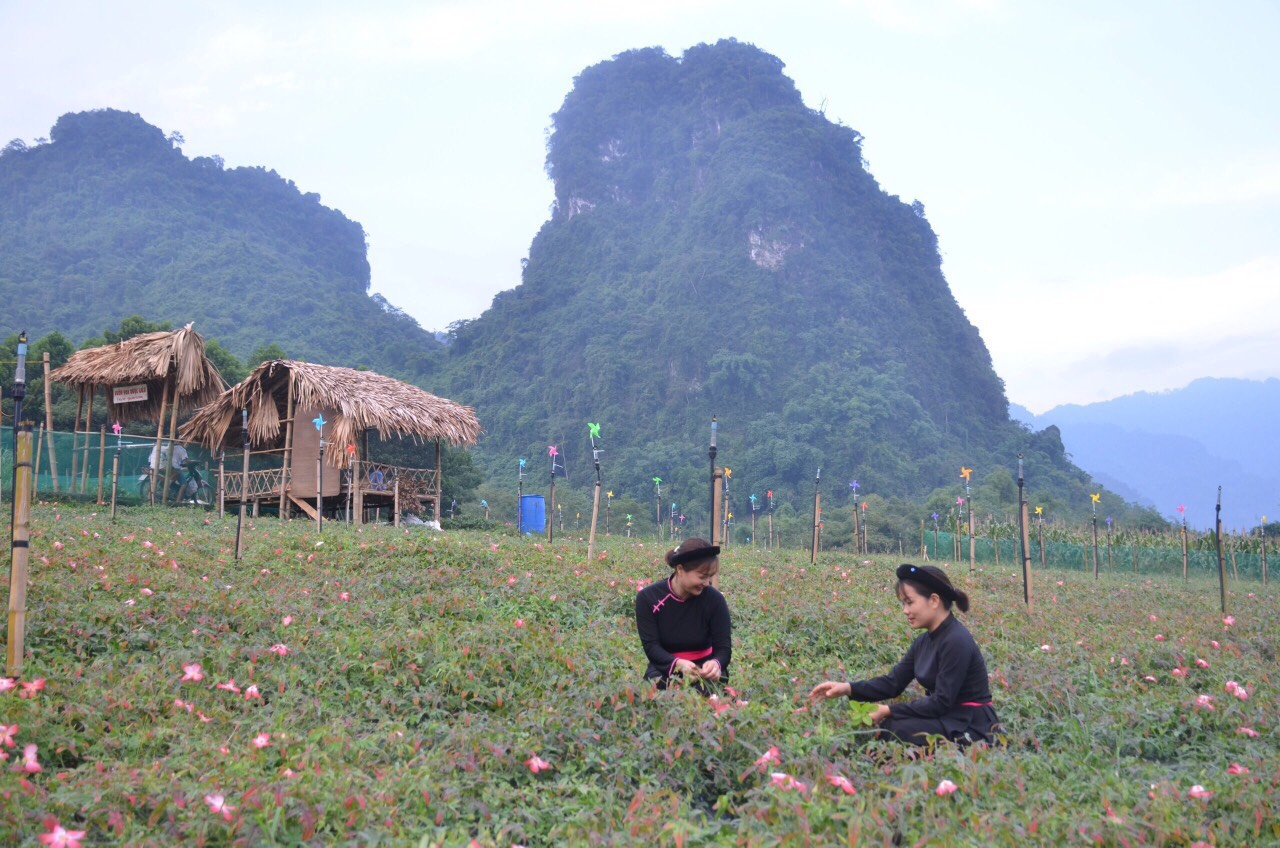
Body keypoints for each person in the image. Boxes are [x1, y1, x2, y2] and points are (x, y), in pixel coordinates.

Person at [809, 563, 999, 746]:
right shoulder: (924, 641)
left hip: (972, 725)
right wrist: (847, 688)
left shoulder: (956, 640)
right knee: (893, 727)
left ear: (934, 600)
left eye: (910, 602)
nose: (905, 610)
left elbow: (941, 702)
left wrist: (888, 710)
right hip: (947, 716)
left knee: (898, 729)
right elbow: (893, 683)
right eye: (903, 603)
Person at [635, 538, 732, 691]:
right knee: (658, 689)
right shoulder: (649, 598)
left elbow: (723, 647)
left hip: (704, 671)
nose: (706, 583)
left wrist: (716, 664)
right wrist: (678, 664)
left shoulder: (715, 599)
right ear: (680, 569)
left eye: (710, 576)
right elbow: (651, 647)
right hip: (665, 669)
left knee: (706, 692)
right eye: (702, 576)